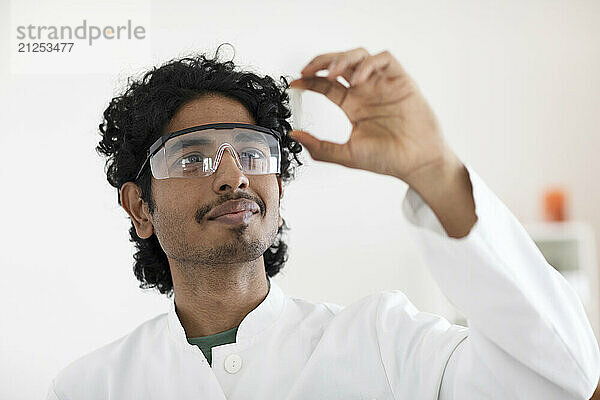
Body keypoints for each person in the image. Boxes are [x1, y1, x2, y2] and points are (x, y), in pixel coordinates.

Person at [46, 45, 600, 399]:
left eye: (252, 152)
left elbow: (561, 379)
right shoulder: (89, 387)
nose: (233, 176)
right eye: (192, 156)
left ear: (279, 187)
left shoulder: (385, 342)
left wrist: (434, 171)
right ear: (140, 206)